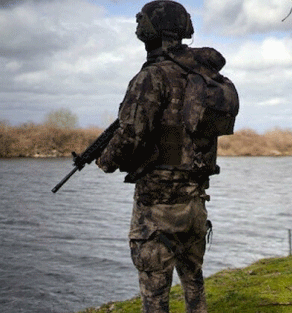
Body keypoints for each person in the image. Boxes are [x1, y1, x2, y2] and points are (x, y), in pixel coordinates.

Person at [96, 1, 238, 312]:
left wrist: (104, 161)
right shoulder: (202, 76)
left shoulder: (152, 77)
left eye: (141, 22)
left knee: (155, 291)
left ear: (151, 30)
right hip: (196, 201)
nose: (137, 27)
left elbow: (130, 136)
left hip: (158, 206)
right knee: (193, 280)